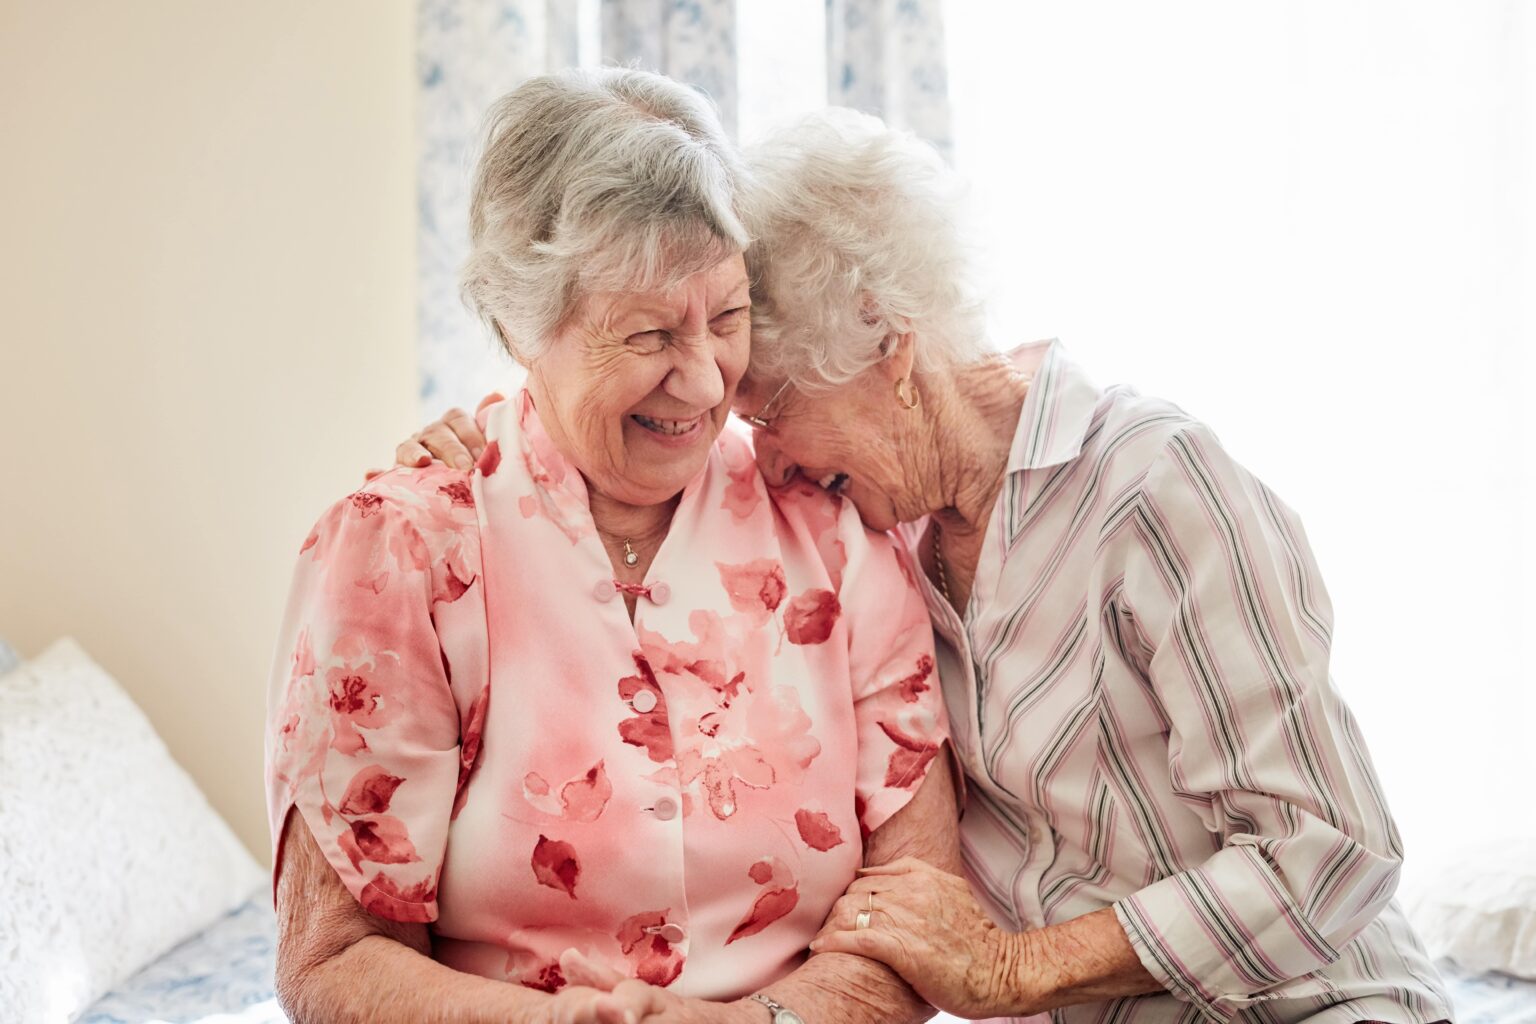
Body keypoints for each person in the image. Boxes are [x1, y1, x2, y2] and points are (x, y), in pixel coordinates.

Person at [407, 107, 1453, 1023]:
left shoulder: (1155, 485)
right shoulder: (869, 537)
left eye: (769, 410)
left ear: (890, 353)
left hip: (1306, 1006)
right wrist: (493, 453)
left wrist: (1013, 967)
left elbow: (1334, 847)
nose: (759, 455)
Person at [266, 71, 960, 1024]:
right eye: (646, 333)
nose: (704, 376)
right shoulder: (403, 554)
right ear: (521, 324)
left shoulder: (831, 529)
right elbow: (335, 960)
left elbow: (922, 907)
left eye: (726, 317)